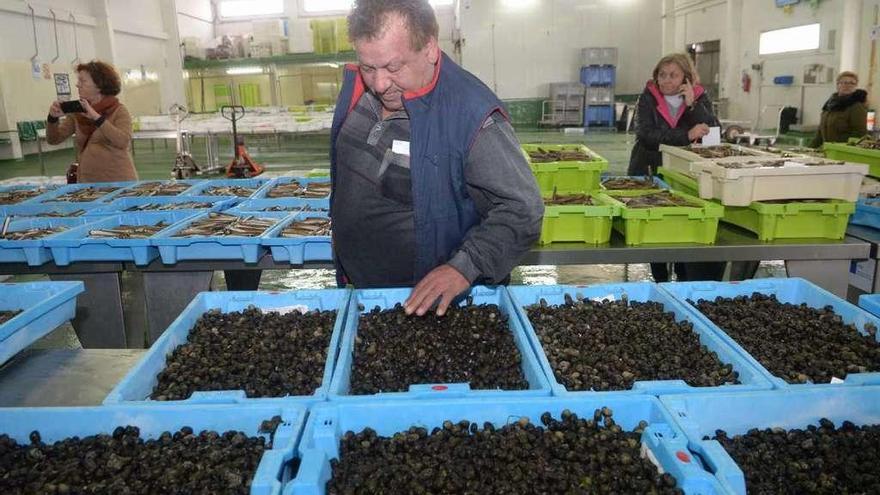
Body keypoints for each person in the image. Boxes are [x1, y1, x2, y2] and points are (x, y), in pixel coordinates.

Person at [330, 0, 543, 315]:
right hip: (365, 293)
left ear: (429, 48)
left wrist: (464, 267)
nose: (379, 84)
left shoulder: (472, 117)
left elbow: (522, 210)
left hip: (427, 307)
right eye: (368, 67)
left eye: (393, 67)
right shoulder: (363, 86)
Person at [628, 53, 724, 283]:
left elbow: (713, 133)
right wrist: (686, 135)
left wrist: (693, 105)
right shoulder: (647, 99)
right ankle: (660, 280)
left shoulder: (699, 97)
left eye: (673, 75)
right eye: (662, 75)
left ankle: (683, 278)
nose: (666, 80)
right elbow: (646, 135)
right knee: (655, 228)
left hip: (683, 174)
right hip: (649, 167)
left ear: (686, 78)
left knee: (682, 224)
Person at [47, 61, 138, 182]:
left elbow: (122, 141)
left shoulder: (119, 110)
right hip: (87, 183)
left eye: (82, 81)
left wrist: (96, 117)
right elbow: (54, 139)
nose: (77, 85)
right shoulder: (78, 112)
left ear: (99, 85)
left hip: (118, 181)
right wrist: (52, 118)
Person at [810, 71, 868, 148]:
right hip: (827, 149)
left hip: (843, 151)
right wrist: (810, 149)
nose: (847, 85)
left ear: (856, 86)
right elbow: (820, 132)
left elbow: (860, 134)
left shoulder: (856, 106)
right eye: (843, 82)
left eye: (851, 83)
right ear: (837, 85)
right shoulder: (829, 105)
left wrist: (838, 146)